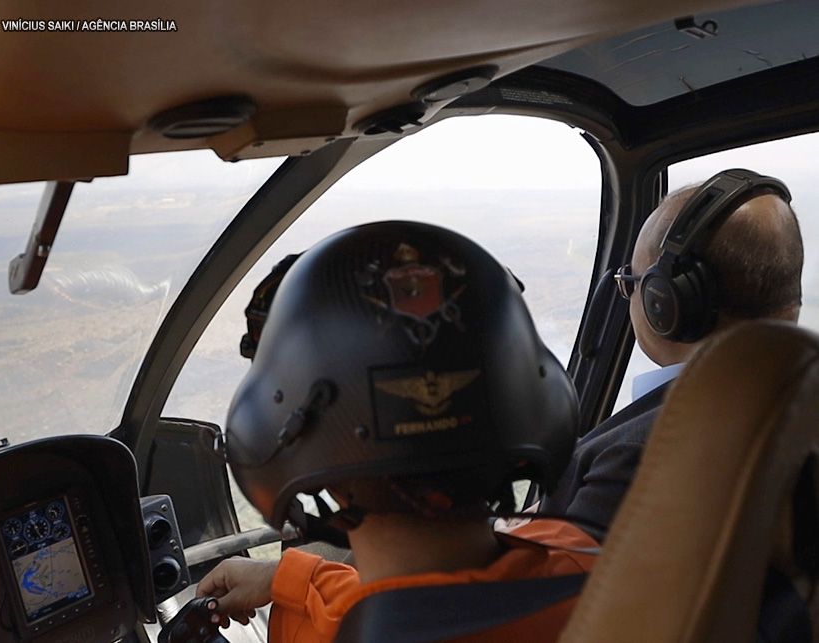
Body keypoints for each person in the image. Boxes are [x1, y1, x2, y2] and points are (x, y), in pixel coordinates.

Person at [196, 221, 597, 642]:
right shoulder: (589, 559)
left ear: (276, 435)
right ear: (529, 402)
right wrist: (290, 579)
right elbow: (431, 605)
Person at [541, 168, 804, 539]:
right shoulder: (796, 410)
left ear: (663, 303)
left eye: (629, 282)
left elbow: (555, 592)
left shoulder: (641, 458)